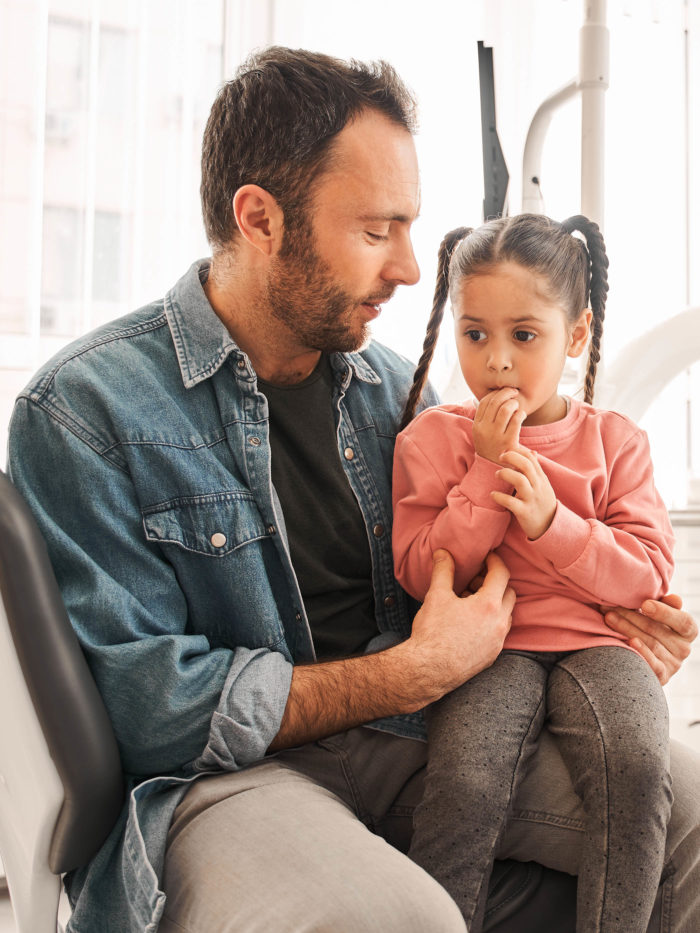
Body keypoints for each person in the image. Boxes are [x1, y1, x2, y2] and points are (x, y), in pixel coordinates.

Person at [6, 48, 699, 933]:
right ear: (259, 219)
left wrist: (616, 610)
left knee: (691, 813)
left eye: (411, 227)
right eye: (377, 231)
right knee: (397, 917)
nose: (413, 270)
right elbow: (150, 708)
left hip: (417, 734)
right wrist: (405, 672)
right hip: (227, 781)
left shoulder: (391, 392)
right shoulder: (86, 411)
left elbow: (482, 566)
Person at [392, 213, 677, 932]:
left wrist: (555, 524)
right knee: (463, 780)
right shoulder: (432, 439)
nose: (495, 361)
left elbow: (646, 573)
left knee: (639, 767)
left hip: (600, 647)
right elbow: (421, 570)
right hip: (492, 646)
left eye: (524, 335)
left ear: (574, 336)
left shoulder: (618, 442)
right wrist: (486, 469)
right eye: (475, 333)